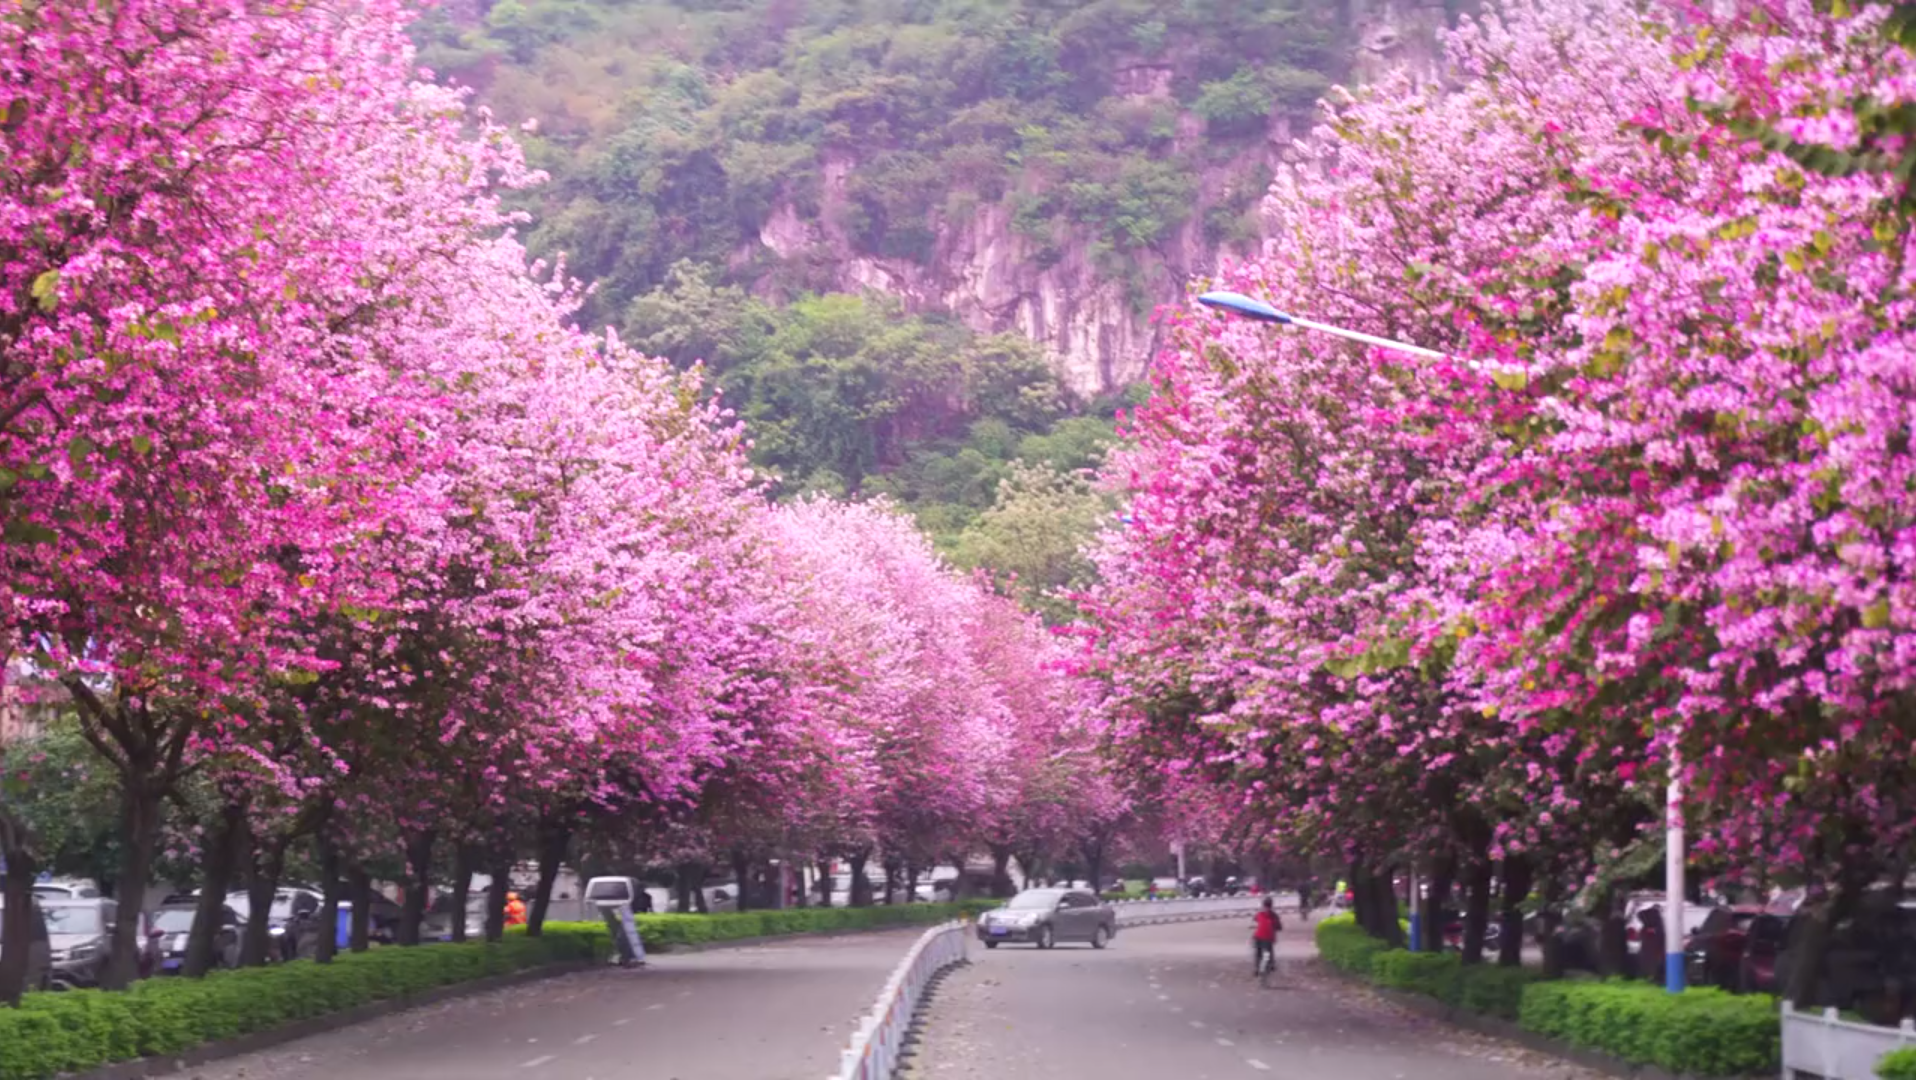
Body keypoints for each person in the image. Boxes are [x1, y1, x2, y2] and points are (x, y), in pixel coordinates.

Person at [1252, 896, 1282, 978]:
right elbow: (1279, 927)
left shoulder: (1260, 914)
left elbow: (1255, 919)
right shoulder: (1274, 915)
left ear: (1263, 905)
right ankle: (1271, 964)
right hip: (1269, 938)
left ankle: (1257, 968)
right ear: (1271, 905)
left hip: (1258, 936)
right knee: (1268, 952)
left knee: (1258, 953)